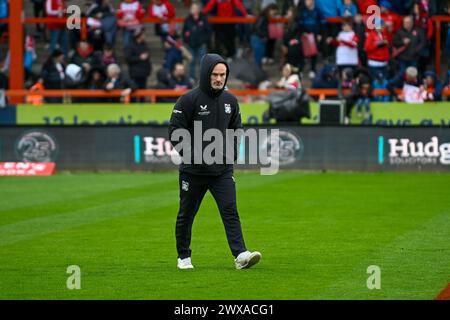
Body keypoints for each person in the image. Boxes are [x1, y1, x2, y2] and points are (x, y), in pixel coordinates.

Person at [168, 53, 261, 270]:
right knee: (187, 214)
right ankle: (184, 257)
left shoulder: (230, 101)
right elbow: (175, 130)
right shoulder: (188, 100)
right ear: (205, 74)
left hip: (221, 171)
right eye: (215, 74)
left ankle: (241, 255)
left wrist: (231, 154)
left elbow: (237, 129)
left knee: (230, 210)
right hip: (193, 171)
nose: (219, 79)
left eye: (223, 75)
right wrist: (193, 154)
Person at [182, 2, 211, 80]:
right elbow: (184, 32)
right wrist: (187, 40)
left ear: (198, 10)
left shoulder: (203, 18)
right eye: (192, 8)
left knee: (203, 62)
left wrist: (203, 40)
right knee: (191, 62)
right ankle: (192, 77)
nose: (192, 10)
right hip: (191, 45)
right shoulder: (188, 19)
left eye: (194, 8)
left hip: (201, 45)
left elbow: (208, 31)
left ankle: (203, 78)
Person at [125, 28, 152, 102]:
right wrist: (139, 58)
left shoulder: (144, 45)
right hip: (135, 73)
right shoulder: (130, 46)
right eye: (143, 35)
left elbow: (147, 57)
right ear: (139, 36)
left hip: (144, 73)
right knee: (134, 90)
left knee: (142, 92)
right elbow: (128, 58)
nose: (144, 36)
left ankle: (142, 105)